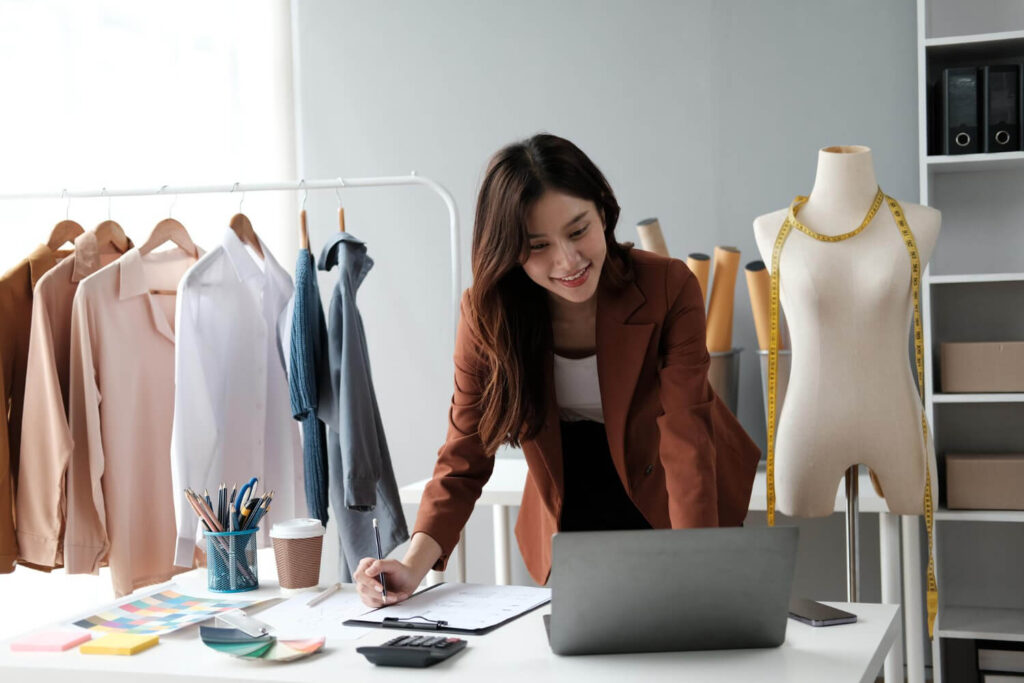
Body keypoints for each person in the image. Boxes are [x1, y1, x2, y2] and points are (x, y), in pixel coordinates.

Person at [355, 133, 760, 606]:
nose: (567, 260)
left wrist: (699, 564)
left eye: (578, 230)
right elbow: (464, 453)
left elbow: (687, 437)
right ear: (509, 249)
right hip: (572, 494)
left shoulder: (668, 287)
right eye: (538, 245)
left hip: (674, 487)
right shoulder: (487, 315)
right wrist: (411, 564)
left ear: (604, 213)